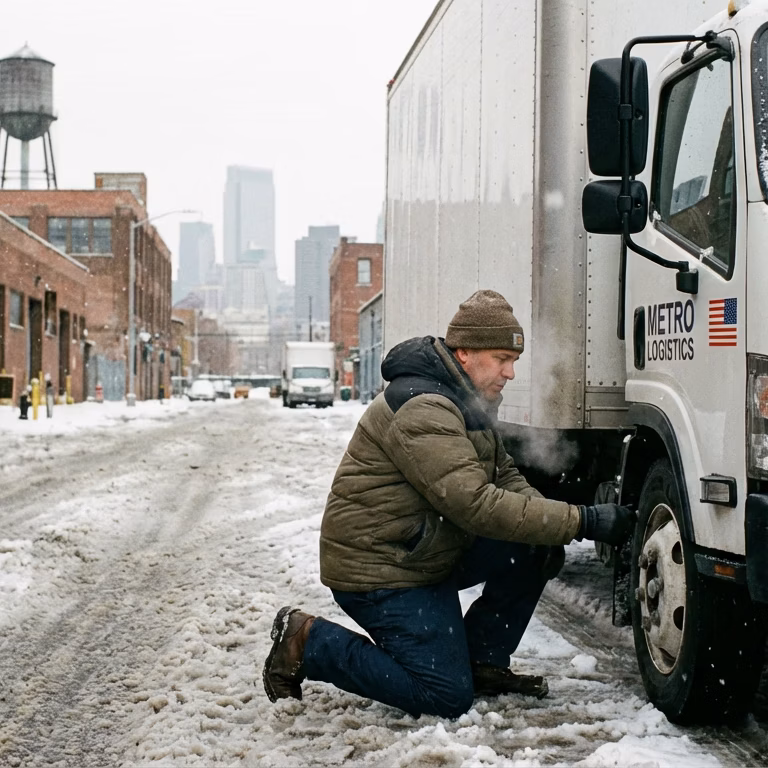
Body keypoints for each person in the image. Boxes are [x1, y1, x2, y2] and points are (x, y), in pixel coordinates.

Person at [263, 289, 635, 718]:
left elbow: (507, 478)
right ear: (464, 354)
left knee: (536, 545)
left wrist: (554, 524)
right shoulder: (425, 408)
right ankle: (308, 642)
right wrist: (584, 520)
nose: (511, 372)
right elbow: (475, 504)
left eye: (513, 360)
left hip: (422, 550)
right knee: (443, 694)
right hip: (382, 568)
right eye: (501, 358)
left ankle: (482, 661)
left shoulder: (468, 402)